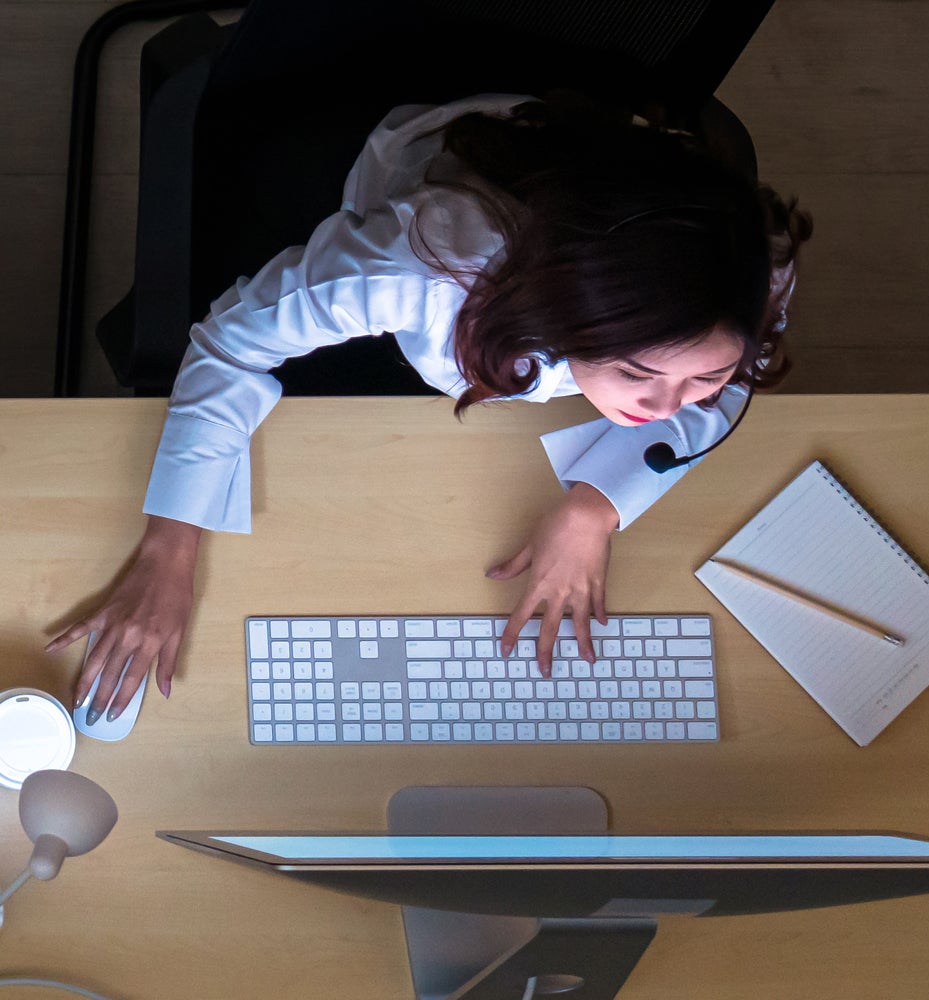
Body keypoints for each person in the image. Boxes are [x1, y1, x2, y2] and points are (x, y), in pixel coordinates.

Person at [47, 91, 812, 722]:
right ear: (567, 310)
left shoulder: (754, 262)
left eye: (701, 378)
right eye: (637, 372)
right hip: (430, 154)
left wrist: (596, 506)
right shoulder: (421, 268)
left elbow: (732, 378)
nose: (669, 407)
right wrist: (169, 549)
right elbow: (231, 343)